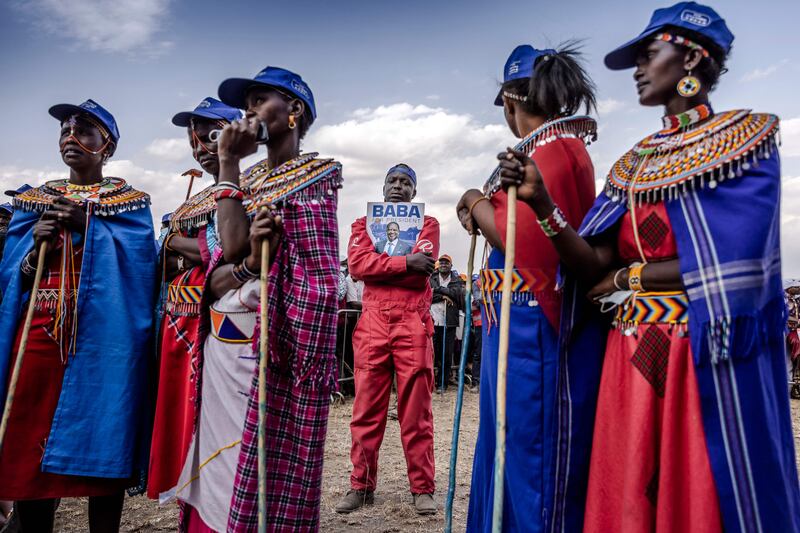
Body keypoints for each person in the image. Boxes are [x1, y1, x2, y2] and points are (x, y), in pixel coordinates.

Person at [499, 3, 800, 531]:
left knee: (700, 489)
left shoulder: (745, 143)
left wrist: (629, 279)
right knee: (631, 486)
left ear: (691, 58)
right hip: (633, 356)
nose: (638, 68)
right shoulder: (633, 164)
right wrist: (544, 205)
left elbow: (737, 265)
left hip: (699, 353)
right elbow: (592, 264)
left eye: (649, 54)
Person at [180, 65, 342, 532]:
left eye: (259, 100)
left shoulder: (315, 179)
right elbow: (217, 271)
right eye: (245, 102)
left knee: (264, 470)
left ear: (294, 111)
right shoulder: (244, 183)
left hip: (276, 353)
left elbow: (236, 252)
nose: (247, 111)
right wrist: (246, 264)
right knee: (220, 463)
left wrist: (227, 165)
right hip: (223, 349)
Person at [456, 43, 598, 532]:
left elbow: (516, 240)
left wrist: (474, 201)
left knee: (529, 445)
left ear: (511, 104)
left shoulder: (555, 149)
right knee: (508, 440)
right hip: (516, 321)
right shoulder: (551, 147)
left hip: (532, 325)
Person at [0, 99, 157, 532]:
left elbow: (142, 268)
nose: (71, 137)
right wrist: (34, 251)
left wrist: (91, 227)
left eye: (85, 131)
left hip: (104, 338)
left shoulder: (131, 205)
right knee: (30, 438)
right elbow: (13, 275)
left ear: (107, 146)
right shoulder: (33, 201)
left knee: (104, 427)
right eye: (65, 130)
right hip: (38, 332)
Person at [147, 97, 246, 502]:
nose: (201, 148)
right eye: (195, 140)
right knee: (181, 424)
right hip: (178, 324)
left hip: (220, 327)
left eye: (210, 136)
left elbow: (225, 244)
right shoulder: (191, 203)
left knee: (219, 429)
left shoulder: (249, 189)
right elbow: (161, 256)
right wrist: (178, 244)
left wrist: (179, 242)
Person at [336, 163, 439, 515]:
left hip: (413, 322)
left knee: (416, 412)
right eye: (392, 181)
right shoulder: (362, 224)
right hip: (373, 324)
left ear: (414, 192)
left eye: (406, 182)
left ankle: (422, 487)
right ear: (382, 189)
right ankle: (361, 486)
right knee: (366, 410)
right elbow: (357, 266)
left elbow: (421, 270)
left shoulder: (428, 224)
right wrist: (405, 263)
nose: (398, 186)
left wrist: (401, 266)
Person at [430, 254, 464, 391]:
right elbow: (427, 295)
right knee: (434, 353)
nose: (444, 265)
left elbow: (457, 295)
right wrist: (444, 295)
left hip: (449, 322)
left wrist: (438, 290)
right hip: (433, 321)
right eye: (441, 262)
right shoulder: (431, 278)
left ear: (451, 265)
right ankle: (432, 382)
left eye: (446, 263)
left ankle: (443, 383)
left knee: (446, 354)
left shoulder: (457, 280)